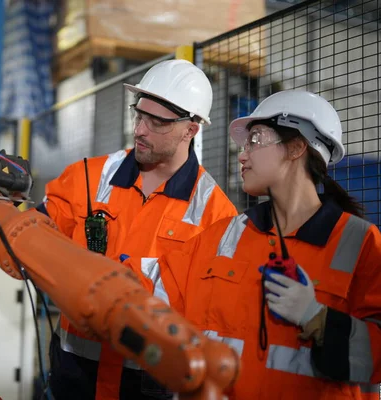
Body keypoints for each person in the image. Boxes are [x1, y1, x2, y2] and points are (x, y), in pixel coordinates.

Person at [124, 89, 381, 399]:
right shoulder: (224, 236)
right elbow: (148, 289)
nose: (242, 154)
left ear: (297, 146)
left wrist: (319, 319)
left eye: (255, 140)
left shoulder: (359, 243)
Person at [35, 59, 238, 400]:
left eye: (157, 122)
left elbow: (212, 317)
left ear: (191, 130)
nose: (140, 130)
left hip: (149, 384)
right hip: (74, 374)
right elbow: (38, 231)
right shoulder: (87, 177)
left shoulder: (216, 215)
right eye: (139, 114)